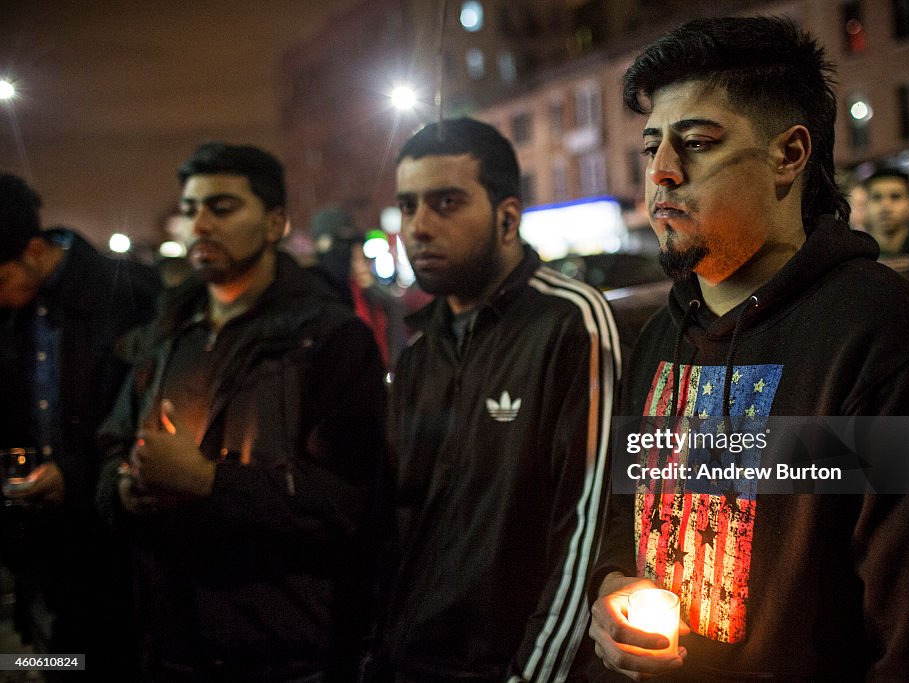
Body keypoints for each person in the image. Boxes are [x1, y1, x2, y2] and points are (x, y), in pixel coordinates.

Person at [587, 16, 909, 681]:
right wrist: (612, 592)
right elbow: (623, 518)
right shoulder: (661, 338)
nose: (662, 173)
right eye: (650, 148)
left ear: (789, 154)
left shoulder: (882, 337)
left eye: (696, 142)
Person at [94, 143, 387, 681]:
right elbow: (112, 448)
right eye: (191, 209)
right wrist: (127, 487)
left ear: (275, 223)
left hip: (284, 656)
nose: (200, 223)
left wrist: (208, 482)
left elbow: (346, 506)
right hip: (169, 647)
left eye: (222, 208)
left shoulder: (330, 340)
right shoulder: (164, 336)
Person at [368, 118, 621, 682]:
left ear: (508, 217)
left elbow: (584, 528)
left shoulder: (569, 322)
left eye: (447, 203)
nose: (419, 227)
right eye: (408, 207)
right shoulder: (419, 350)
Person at [0, 174, 160, 678]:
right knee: (60, 662)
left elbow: (148, 415)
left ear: (32, 249)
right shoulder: (13, 317)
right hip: (44, 548)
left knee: (107, 662)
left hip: (115, 548)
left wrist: (75, 473)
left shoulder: (125, 293)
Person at [310, 207, 408, 371]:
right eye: (343, 247)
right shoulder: (315, 297)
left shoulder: (370, 295)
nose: (358, 263)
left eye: (358, 254)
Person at [863, 166, 909, 255]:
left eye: (895, 197)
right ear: (865, 207)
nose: (885, 206)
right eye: (876, 197)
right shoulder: (854, 259)